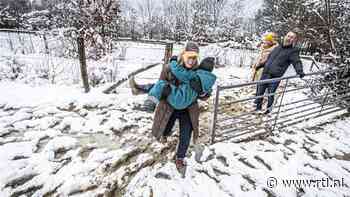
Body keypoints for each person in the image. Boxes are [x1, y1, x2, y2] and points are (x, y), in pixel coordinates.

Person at [130, 42, 210, 170]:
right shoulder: (169, 68)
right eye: (189, 56)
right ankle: (164, 134)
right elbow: (160, 83)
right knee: (167, 124)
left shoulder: (199, 73)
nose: (191, 60)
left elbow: (206, 94)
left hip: (188, 108)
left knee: (186, 133)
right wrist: (165, 91)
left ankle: (180, 157)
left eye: (194, 57)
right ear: (183, 55)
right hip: (170, 105)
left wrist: (202, 92)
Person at [254, 31, 305, 114]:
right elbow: (269, 59)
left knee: (270, 94)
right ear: (285, 36)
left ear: (294, 40)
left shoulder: (293, 51)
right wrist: (260, 65)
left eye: (292, 37)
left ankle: (268, 110)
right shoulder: (277, 48)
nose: (289, 38)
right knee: (260, 92)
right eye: (288, 36)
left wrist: (300, 71)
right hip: (265, 73)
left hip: (275, 76)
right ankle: (258, 108)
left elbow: (297, 62)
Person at [147, 57, 216, 110]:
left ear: (201, 65)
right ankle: (147, 89)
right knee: (161, 87)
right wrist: (202, 92)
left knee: (161, 84)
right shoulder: (209, 81)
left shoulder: (194, 76)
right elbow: (207, 92)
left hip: (179, 98)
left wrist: (173, 61)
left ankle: (150, 103)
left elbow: (179, 72)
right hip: (186, 104)